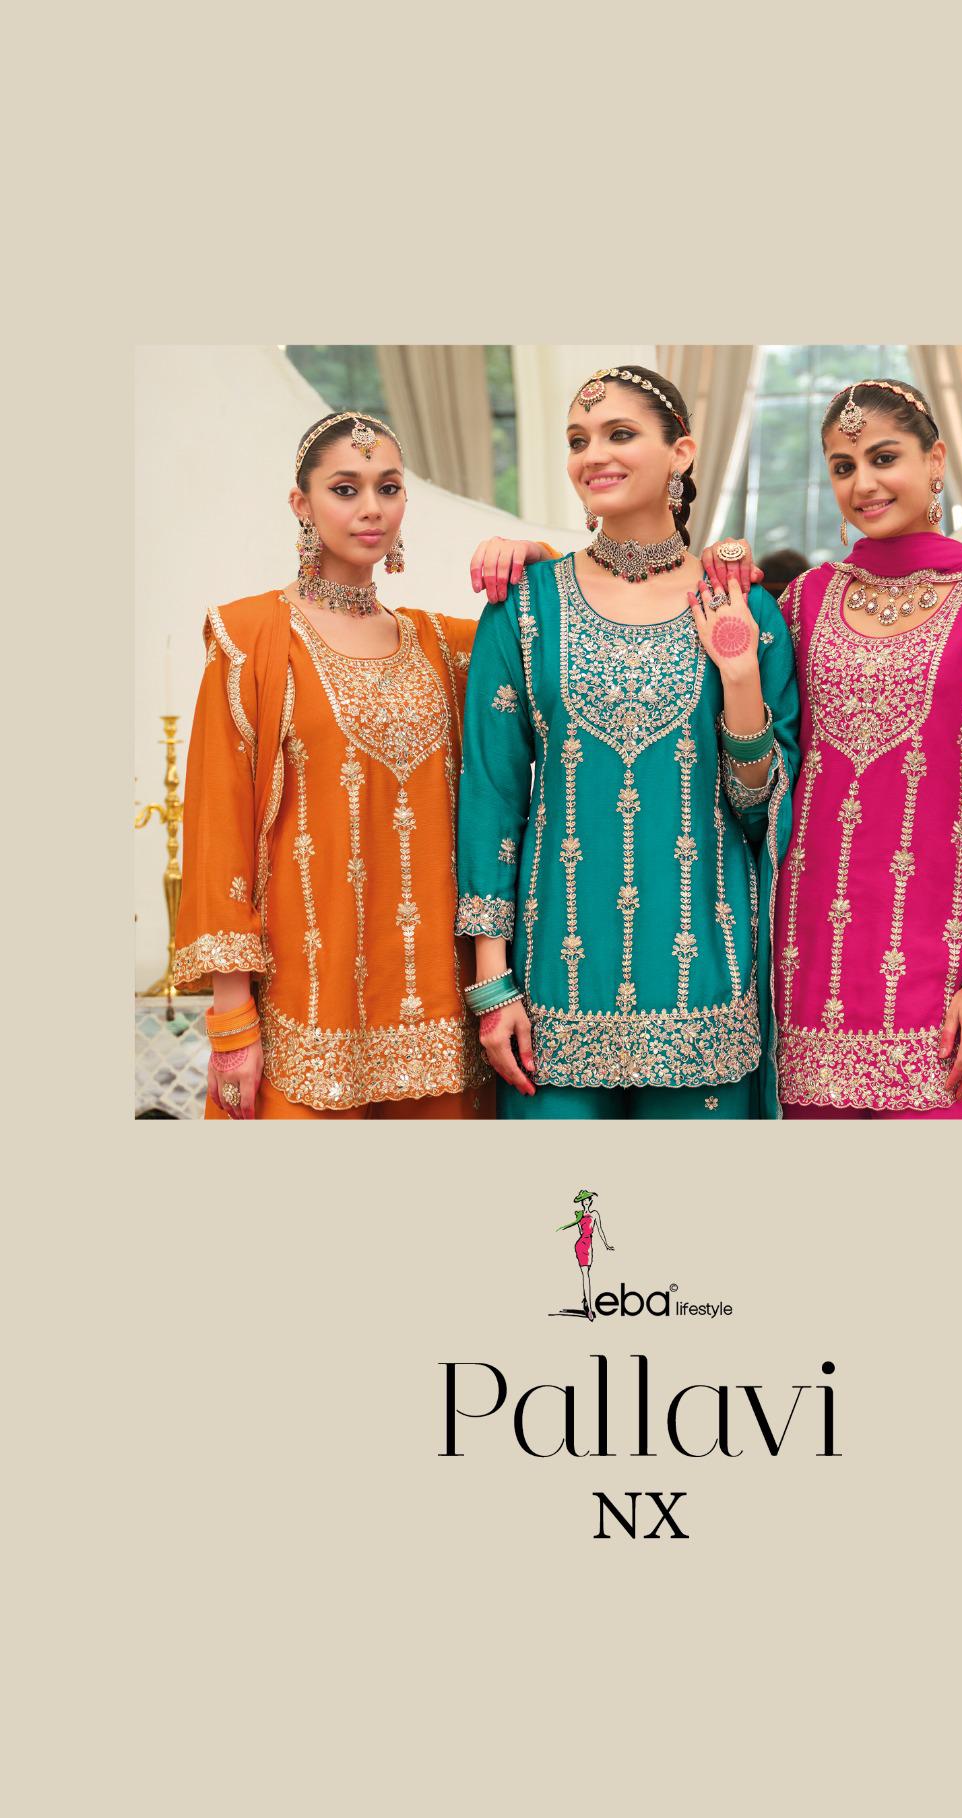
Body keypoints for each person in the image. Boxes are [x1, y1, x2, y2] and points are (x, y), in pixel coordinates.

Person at [704, 380, 962, 1117]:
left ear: (935, 459)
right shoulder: (805, 601)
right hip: (807, 969)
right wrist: (541, 560)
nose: (864, 483)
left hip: (942, 972)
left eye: (884, 457)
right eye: (843, 466)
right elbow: (763, 761)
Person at [455, 367, 799, 1118]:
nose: (593, 455)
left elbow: (762, 814)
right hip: (552, 998)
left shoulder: (744, 607)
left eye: (619, 434)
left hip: (705, 993)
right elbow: (491, 797)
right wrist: (491, 984)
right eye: (578, 440)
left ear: (682, 452)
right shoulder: (525, 606)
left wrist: (740, 677)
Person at [171, 411, 490, 1120]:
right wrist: (231, 1023)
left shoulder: (445, 646)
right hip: (305, 1018)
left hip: (439, 1024)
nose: (371, 508)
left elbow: (547, 624)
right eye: (345, 489)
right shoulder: (252, 639)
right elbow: (220, 829)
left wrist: (524, 552)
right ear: (302, 504)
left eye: (389, 487)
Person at [558, 1188, 613, 1319]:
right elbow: (581, 1232)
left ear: (590, 1201)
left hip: (589, 1246)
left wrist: (606, 1245)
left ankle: (585, 1300)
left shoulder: (595, 1214)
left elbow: (600, 1230)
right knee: (586, 1275)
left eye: (587, 1200)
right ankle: (590, 1309)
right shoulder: (579, 1215)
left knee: (586, 1273)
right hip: (581, 1245)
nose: (585, 1202)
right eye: (583, 1200)